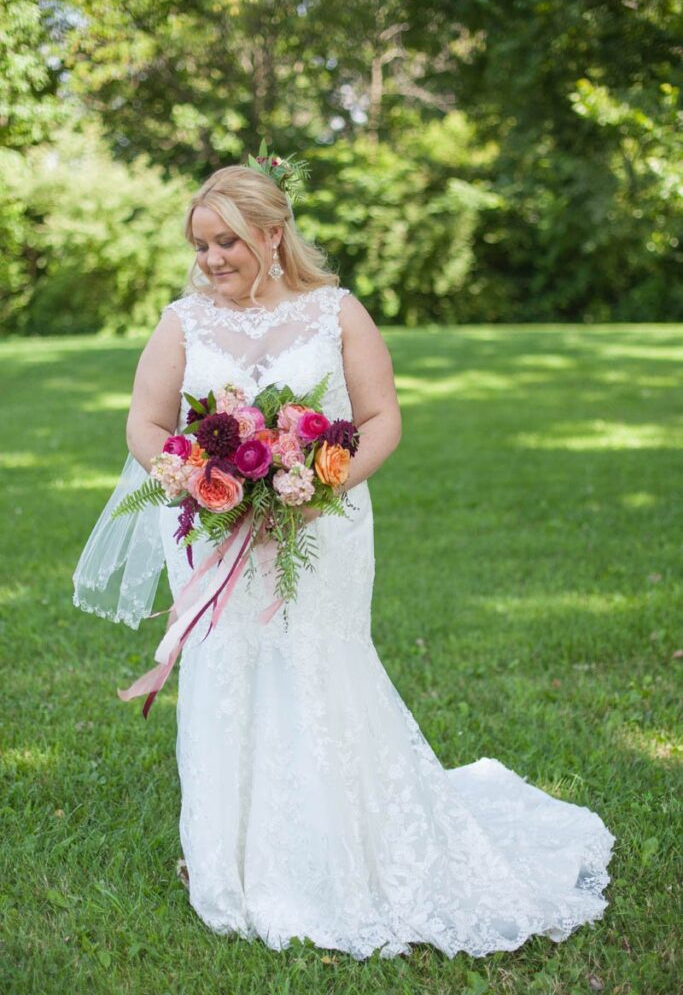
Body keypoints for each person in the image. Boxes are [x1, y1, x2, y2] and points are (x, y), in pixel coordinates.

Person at [73, 153, 614, 962]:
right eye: (201, 245)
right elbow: (144, 425)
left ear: (272, 231)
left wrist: (316, 485)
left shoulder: (336, 312)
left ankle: (340, 847)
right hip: (214, 530)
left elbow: (380, 416)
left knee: (318, 667)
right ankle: (232, 856)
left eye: (227, 242)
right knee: (228, 676)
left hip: (321, 527)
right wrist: (196, 475)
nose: (212, 260)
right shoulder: (182, 321)